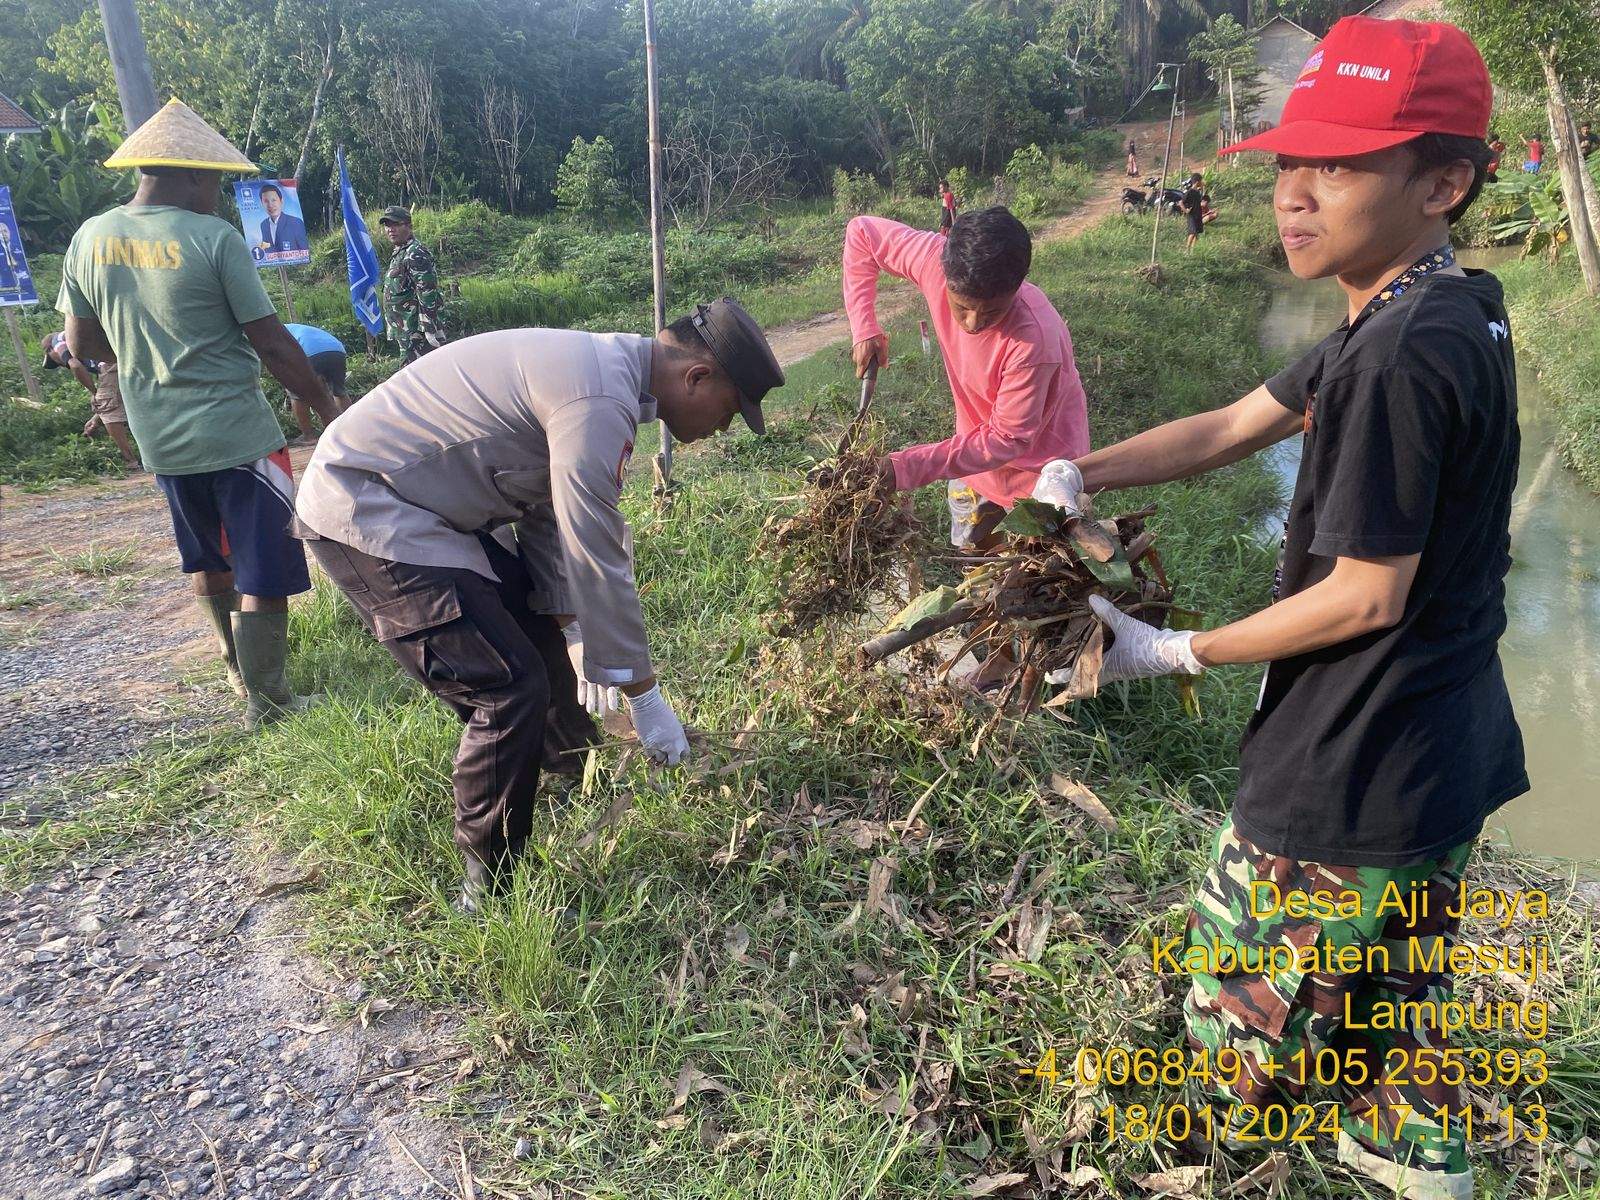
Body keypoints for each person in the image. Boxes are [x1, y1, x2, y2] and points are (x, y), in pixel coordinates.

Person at [1034, 19, 1516, 1200]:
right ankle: (1413, 1165)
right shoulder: (1437, 301)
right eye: (1289, 163)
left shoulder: (1401, 353)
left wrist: (1170, 649)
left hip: (1352, 765)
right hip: (1434, 755)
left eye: (1341, 166)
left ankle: (1200, 1160)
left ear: (1442, 180)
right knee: (1392, 1011)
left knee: (1232, 1016)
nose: (1293, 195)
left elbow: (1362, 594)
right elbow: (1230, 426)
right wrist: (1078, 475)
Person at [293, 298, 784, 912]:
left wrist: (574, 628)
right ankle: (489, 888)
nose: (724, 426)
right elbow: (595, 548)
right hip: (368, 503)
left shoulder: (609, 377)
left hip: (434, 508)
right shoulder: (599, 400)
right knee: (505, 685)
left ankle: (571, 777)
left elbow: (550, 511)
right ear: (698, 377)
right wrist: (645, 695)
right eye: (732, 412)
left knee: (543, 646)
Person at [57, 99, 332, 726]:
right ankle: (270, 702)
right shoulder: (214, 239)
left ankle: (238, 676)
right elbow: (271, 341)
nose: (215, 191)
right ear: (187, 174)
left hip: (161, 438)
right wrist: (325, 402)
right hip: (236, 433)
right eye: (212, 179)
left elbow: (81, 345)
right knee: (263, 560)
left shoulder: (90, 238)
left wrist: (141, 350)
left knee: (208, 557)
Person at [844, 207, 1088, 561]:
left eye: (991, 313)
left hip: (1042, 480)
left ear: (1017, 288)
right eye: (961, 307)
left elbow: (1006, 439)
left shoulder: (1034, 342)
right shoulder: (933, 260)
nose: (973, 323)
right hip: (972, 459)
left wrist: (902, 468)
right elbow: (862, 233)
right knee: (975, 565)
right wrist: (864, 326)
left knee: (1037, 579)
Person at [41, 329, 141, 469]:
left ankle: (131, 461)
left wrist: (94, 393)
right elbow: (113, 393)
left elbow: (75, 366)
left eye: (54, 361)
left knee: (108, 412)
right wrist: (96, 419)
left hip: (110, 360)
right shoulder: (80, 344)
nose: (62, 365)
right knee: (128, 399)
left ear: (50, 350)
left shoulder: (57, 342)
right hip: (127, 353)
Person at [378, 205, 447, 364]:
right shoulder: (400, 251)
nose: (390, 229)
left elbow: (427, 292)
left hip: (416, 333)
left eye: (395, 224)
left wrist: (429, 329)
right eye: (387, 225)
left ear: (409, 226)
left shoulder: (415, 252)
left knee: (417, 378)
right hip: (404, 330)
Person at [283, 322, 350, 442]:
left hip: (309, 352)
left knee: (297, 394)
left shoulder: (273, 331)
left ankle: (308, 436)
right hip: (337, 350)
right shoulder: (293, 327)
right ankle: (350, 429)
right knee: (339, 392)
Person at [255, 182, 308, 255]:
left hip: (294, 264)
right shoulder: (264, 224)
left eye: (274, 200)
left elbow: (304, 250)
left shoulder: (296, 222)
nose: (270, 205)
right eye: (266, 201)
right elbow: (268, 249)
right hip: (274, 265)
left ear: (281, 201)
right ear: (262, 204)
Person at [1181, 172, 1206, 250]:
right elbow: (1181, 202)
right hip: (1192, 215)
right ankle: (1187, 250)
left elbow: (1199, 201)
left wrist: (1203, 189)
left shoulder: (1197, 192)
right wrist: (1186, 210)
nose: (1202, 183)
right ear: (1197, 182)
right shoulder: (1190, 192)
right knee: (1192, 232)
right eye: (1201, 181)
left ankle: (1192, 251)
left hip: (1198, 214)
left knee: (1196, 233)